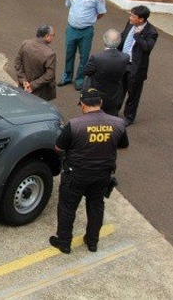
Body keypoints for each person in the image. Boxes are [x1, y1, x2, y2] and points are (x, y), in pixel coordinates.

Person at [49, 88, 129, 254]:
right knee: (96, 206)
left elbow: (58, 147)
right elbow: (123, 146)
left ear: (83, 105)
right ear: (100, 103)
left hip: (76, 174)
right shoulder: (118, 123)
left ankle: (64, 242)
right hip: (102, 174)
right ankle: (92, 242)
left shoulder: (75, 125)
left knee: (67, 207)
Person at [58, 0, 107, 91]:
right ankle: (67, 77)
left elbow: (101, 13)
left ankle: (80, 80)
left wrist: (89, 21)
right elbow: (68, 4)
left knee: (84, 57)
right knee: (69, 54)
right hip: (71, 29)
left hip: (86, 32)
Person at [118, 5, 158, 126]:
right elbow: (124, 35)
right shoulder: (130, 23)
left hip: (136, 67)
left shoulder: (152, 32)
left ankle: (129, 117)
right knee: (119, 89)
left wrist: (137, 35)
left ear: (141, 19)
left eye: (132, 16)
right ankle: (114, 111)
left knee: (133, 94)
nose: (130, 17)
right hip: (122, 62)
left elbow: (147, 47)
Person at [83, 29, 130, 116]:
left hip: (96, 94)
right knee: (111, 118)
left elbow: (86, 71)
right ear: (119, 42)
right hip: (114, 94)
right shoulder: (125, 57)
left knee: (94, 117)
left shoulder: (96, 57)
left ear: (104, 41)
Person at [14, 24, 57, 101]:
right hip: (39, 91)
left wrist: (24, 81)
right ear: (47, 36)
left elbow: (18, 62)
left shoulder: (25, 43)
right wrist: (32, 85)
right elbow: (50, 75)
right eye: (53, 35)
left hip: (23, 86)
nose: (53, 37)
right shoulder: (50, 54)